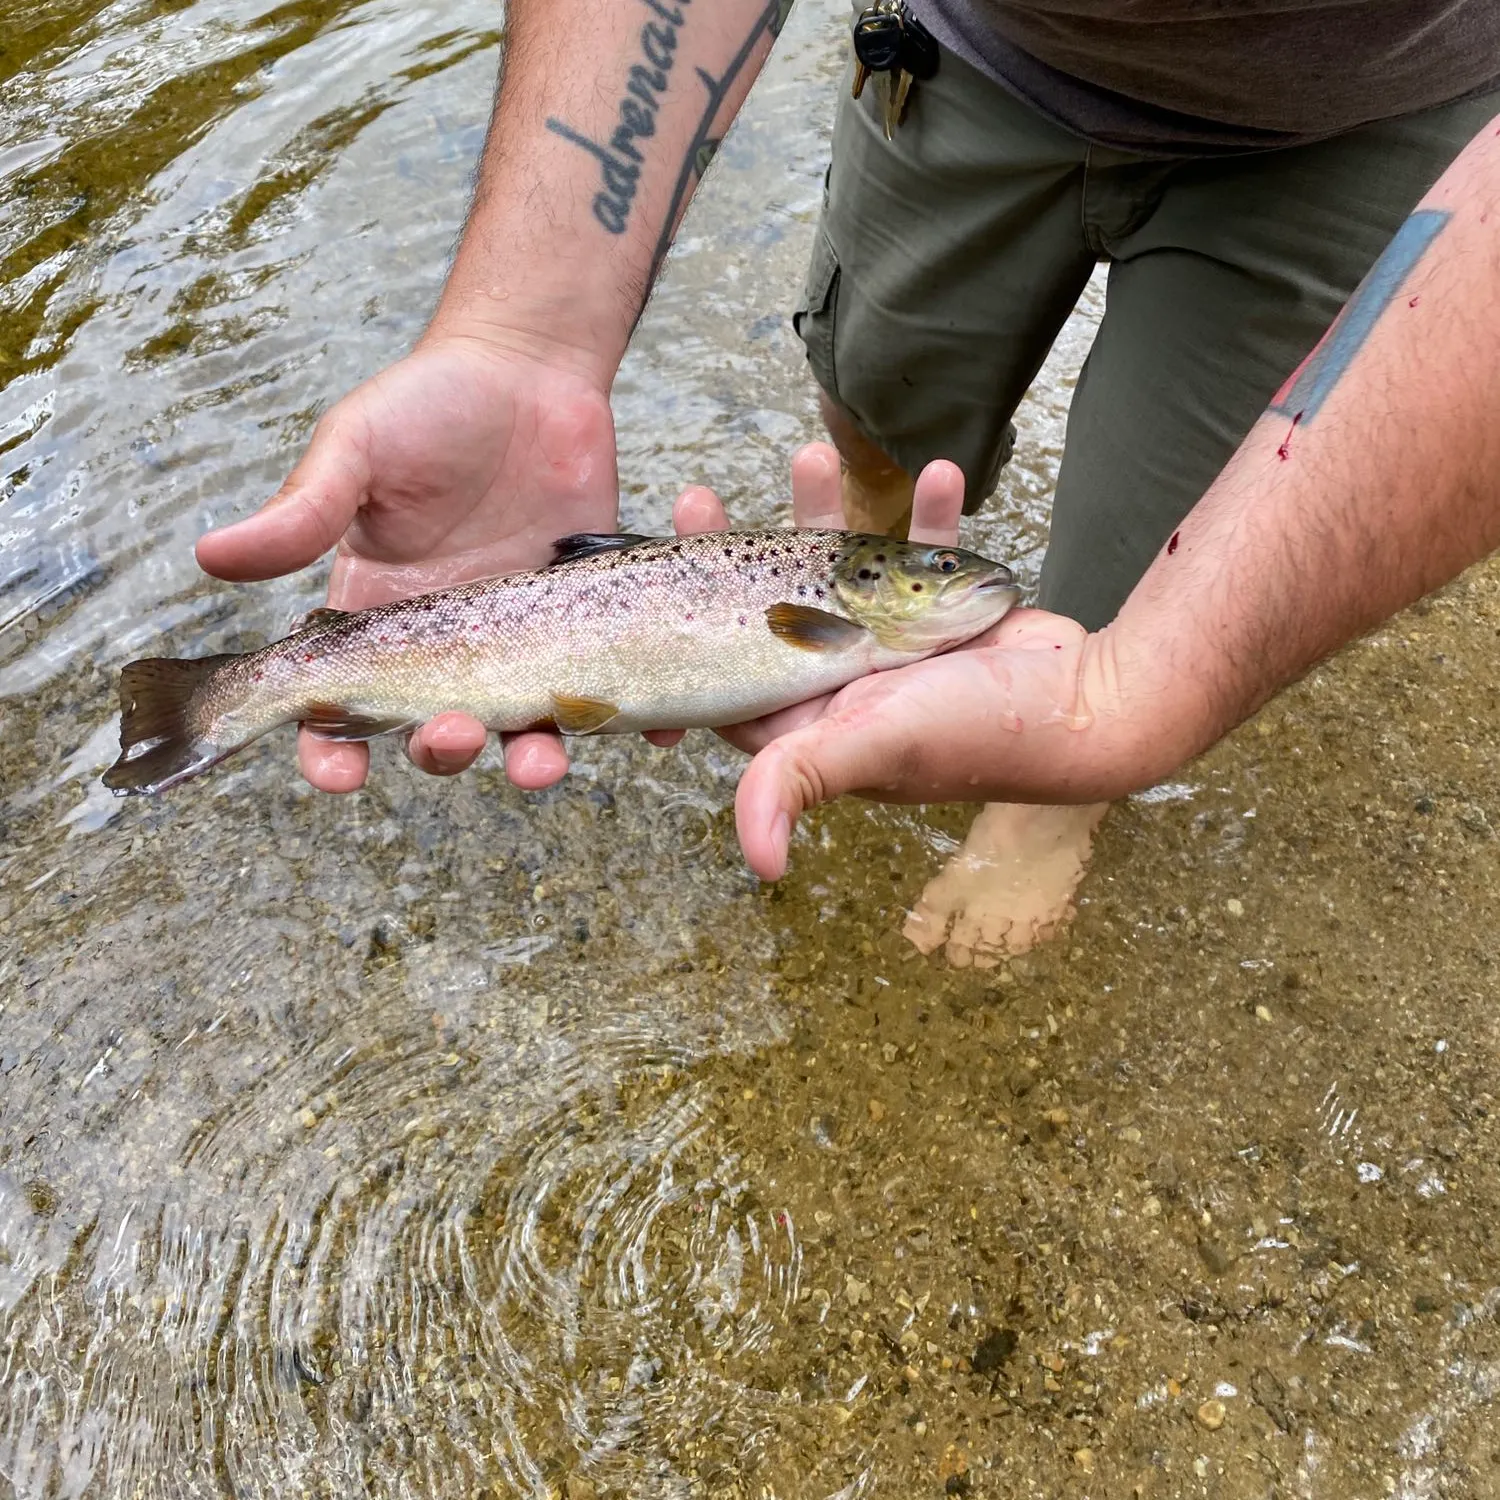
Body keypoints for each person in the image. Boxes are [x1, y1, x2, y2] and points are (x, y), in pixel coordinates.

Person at [195, 1, 1500, 966]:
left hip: (1372, 114)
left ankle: (1051, 794)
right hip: (969, 50)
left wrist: (1144, 692)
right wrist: (518, 340)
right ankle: (866, 548)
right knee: (871, 406)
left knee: (1159, 568)